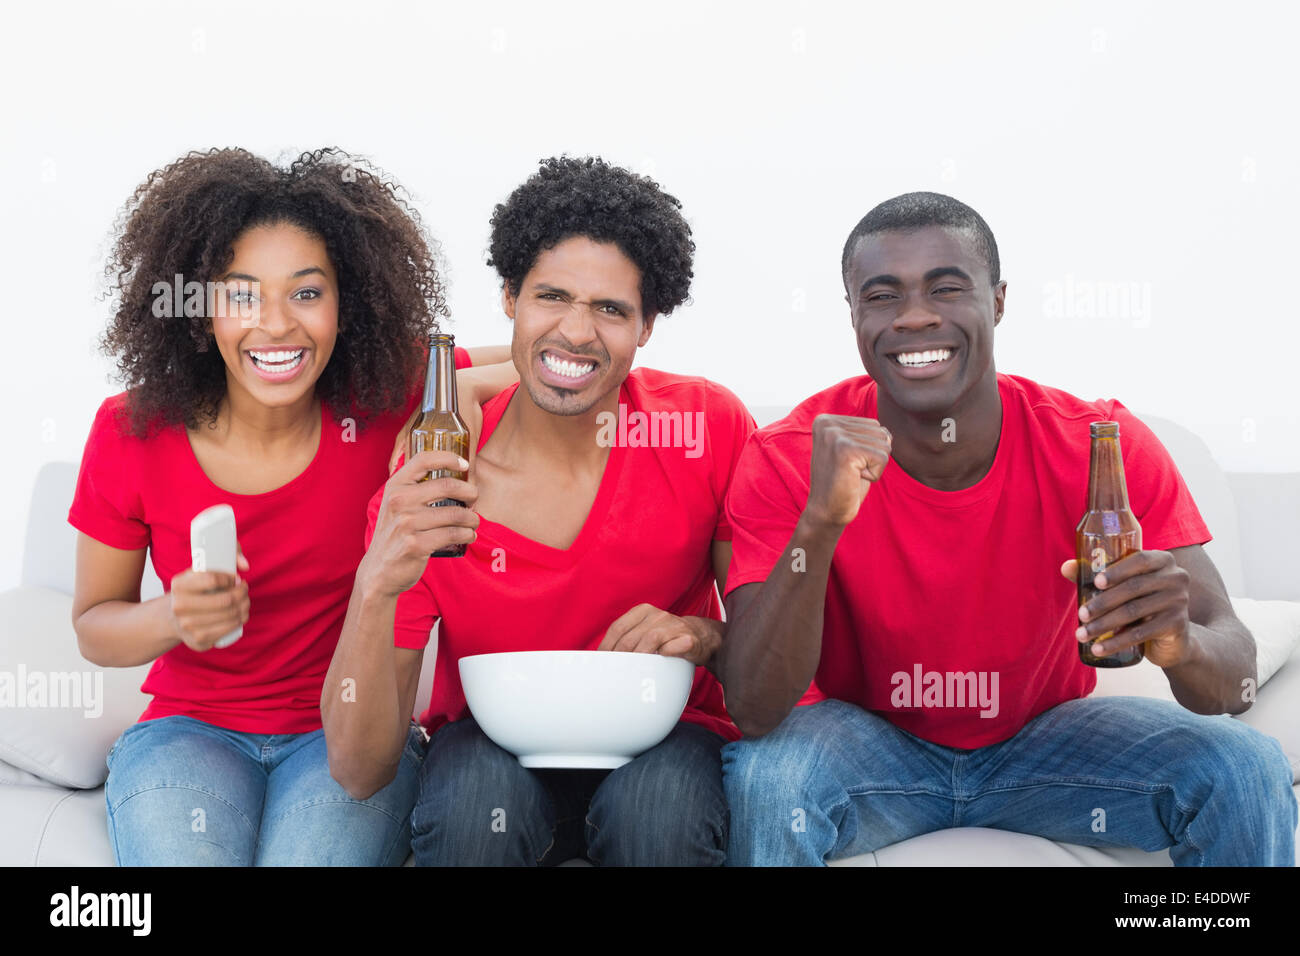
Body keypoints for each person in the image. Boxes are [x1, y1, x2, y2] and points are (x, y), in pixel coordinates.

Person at [717, 191, 1297, 866]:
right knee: (769, 778)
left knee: (1245, 766)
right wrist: (821, 521)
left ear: (997, 300)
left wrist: (1180, 644)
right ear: (853, 315)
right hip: (866, 746)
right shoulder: (788, 454)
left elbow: (1235, 680)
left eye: (947, 287)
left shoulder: (1100, 444)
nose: (915, 317)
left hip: (1046, 741)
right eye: (882, 296)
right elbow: (755, 708)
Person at [69, 147, 510, 866]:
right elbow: (94, 626)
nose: (275, 325)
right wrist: (170, 617)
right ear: (198, 306)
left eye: (306, 293)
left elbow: (553, 354)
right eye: (241, 295)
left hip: (346, 732)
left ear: (349, 304)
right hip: (189, 731)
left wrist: (455, 390)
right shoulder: (131, 430)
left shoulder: (386, 400)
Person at [323, 156, 753, 866]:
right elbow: (359, 770)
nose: (578, 332)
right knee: (469, 817)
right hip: (489, 741)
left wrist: (703, 635)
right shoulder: (433, 478)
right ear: (509, 299)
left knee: (660, 819)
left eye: (611, 309)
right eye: (551, 296)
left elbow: (774, 658)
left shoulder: (706, 428)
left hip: (664, 735)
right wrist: (376, 582)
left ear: (646, 327)